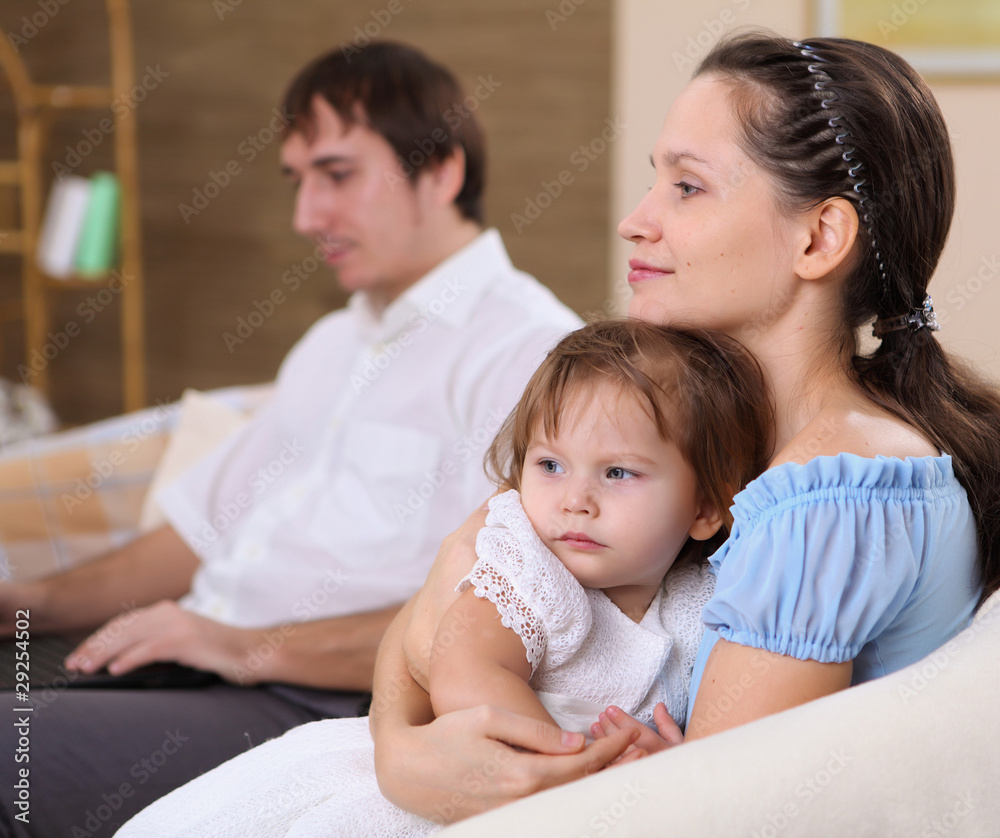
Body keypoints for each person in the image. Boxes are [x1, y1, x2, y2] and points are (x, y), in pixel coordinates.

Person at [364, 32, 1000, 823]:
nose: (635, 222)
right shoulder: (694, 434)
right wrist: (396, 745)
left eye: (688, 188)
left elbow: (699, 820)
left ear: (819, 238)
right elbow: (460, 576)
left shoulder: (828, 498)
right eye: (653, 182)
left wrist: (406, 754)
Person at [0, 41, 581, 836]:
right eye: (298, 181)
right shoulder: (334, 345)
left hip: (307, 702)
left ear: (441, 172)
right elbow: (198, 537)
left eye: (336, 175)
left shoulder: (529, 358)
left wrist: (239, 645)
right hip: (193, 661)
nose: (307, 216)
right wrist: (28, 605)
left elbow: (488, 628)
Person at [114, 318, 773, 836]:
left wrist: (660, 762)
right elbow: (465, 671)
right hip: (449, 791)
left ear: (706, 508)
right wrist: (574, 770)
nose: (575, 498)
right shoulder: (530, 565)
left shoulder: (700, 601)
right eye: (549, 465)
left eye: (618, 473)